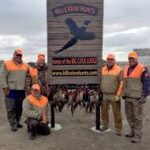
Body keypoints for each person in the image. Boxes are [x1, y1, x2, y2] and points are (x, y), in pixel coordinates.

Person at [122, 51, 149, 143]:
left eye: (133, 58)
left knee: (138, 117)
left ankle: (137, 135)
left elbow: (147, 83)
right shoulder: (126, 68)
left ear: (136, 58)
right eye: (130, 58)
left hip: (137, 98)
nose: (131, 60)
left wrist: (145, 94)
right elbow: (124, 82)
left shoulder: (142, 69)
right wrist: (123, 93)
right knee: (129, 116)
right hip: (127, 97)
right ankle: (132, 132)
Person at [0, 48, 30, 131]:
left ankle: (17, 122)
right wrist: (5, 87)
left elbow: (30, 75)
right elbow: (2, 76)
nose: (19, 57)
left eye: (20, 55)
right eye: (17, 55)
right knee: (11, 108)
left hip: (21, 91)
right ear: (14, 55)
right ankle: (13, 124)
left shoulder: (26, 65)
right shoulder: (7, 64)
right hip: (10, 90)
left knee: (19, 108)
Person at [100, 54, 123, 136]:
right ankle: (105, 126)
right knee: (104, 112)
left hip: (114, 95)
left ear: (114, 60)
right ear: (107, 60)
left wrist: (118, 94)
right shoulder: (102, 69)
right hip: (104, 95)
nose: (110, 61)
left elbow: (121, 83)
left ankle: (118, 129)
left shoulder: (119, 69)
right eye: (108, 59)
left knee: (117, 113)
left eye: (111, 60)